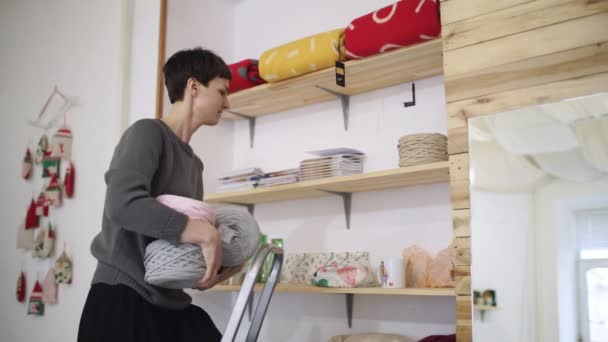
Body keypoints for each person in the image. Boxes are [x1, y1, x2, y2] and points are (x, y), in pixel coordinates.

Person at [78, 47, 241, 342]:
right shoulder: (147, 133)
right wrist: (204, 234)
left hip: (167, 301)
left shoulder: (194, 165)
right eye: (222, 91)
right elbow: (124, 204)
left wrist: (211, 269)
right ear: (194, 87)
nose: (227, 103)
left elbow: (172, 241)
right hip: (122, 299)